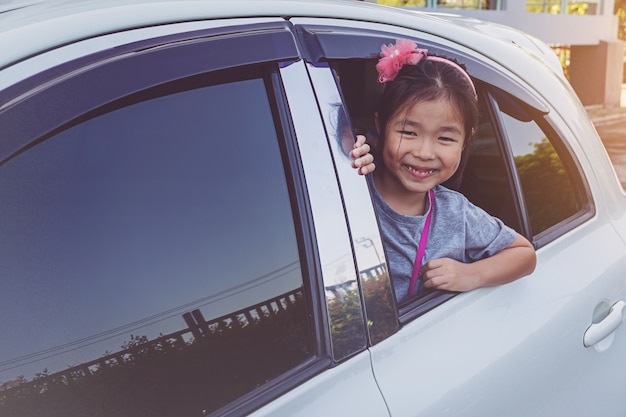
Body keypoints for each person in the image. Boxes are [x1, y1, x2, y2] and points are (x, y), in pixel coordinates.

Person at [349, 39, 536, 303]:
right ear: (380, 126)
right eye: (408, 132)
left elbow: (524, 254)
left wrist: (472, 274)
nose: (425, 153)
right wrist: (345, 154)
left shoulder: (456, 214)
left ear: (465, 141)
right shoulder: (351, 183)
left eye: (445, 139)